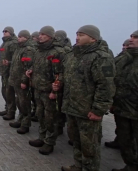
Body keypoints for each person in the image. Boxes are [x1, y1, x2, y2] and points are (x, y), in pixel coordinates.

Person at [59, 25, 115, 171]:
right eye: (77, 34)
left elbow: (106, 85)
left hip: (88, 111)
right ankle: (78, 165)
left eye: (82, 35)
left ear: (93, 38)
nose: (77, 37)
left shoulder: (102, 57)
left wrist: (98, 110)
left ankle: (90, 168)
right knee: (76, 140)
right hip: (71, 107)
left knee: (90, 145)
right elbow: (66, 77)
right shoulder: (72, 55)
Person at [26, 26, 65, 155]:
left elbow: (60, 73)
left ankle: (49, 142)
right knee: (40, 115)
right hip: (38, 88)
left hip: (49, 91)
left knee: (50, 118)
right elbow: (35, 65)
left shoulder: (57, 51)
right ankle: (42, 137)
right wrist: (30, 70)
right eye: (40, 33)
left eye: (43, 34)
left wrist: (54, 91)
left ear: (50, 36)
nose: (40, 36)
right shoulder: (39, 50)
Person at [111, 31, 138, 171]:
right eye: (132, 36)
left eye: (136, 37)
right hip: (122, 107)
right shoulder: (122, 59)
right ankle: (131, 165)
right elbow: (110, 79)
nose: (131, 39)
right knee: (124, 139)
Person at [8, 30, 35, 134]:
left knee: (25, 103)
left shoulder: (28, 50)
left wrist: (24, 81)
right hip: (16, 80)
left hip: (22, 81)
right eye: (18, 36)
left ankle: (25, 124)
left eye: (21, 37)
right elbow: (16, 65)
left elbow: (28, 67)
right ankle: (20, 120)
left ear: (26, 38)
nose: (18, 38)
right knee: (19, 102)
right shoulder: (19, 49)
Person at [105, 38, 130, 149]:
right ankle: (120, 141)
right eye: (123, 45)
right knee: (121, 125)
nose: (125, 47)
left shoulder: (105, 55)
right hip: (119, 98)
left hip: (132, 100)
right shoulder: (118, 59)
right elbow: (108, 77)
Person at [0, 26, 18, 120]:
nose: (4, 32)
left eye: (6, 31)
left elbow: (15, 58)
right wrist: (0, 63)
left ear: (11, 33)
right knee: (4, 91)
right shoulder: (4, 43)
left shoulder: (13, 43)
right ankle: (7, 109)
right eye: (3, 31)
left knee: (9, 92)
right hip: (4, 71)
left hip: (10, 72)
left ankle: (11, 111)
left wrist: (8, 63)